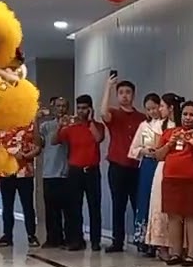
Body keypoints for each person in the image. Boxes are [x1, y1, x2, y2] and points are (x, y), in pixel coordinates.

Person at [152, 100, 193, 266]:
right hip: (172, 180)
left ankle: (192, 255)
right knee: (174, 217)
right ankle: (175, 253)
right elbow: (158, 156)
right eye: (185, 114)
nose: (188, 118)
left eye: (192, 114)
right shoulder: (170, 133)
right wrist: (170, 143)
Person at [99, 73, 145, 252]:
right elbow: (103, 112)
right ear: (118, 96)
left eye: (128, 92)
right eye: (121, 92)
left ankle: (141, 240)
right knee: (118, 204)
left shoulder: (141, 118)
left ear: (133, 95)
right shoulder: (115, 114)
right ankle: (117, 241)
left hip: (136, 166)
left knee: (137, 204)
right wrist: (108, 87)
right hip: (117, 165)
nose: (125, 95)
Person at [55, 94, 105, 251]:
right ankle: (76, 240)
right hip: (75, 171)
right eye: (79, 108)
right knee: (74, 207)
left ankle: (95, 241)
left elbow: (98, 138)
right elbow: (55, 141)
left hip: (92, 170)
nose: (81, 111)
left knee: (94, 206)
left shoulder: (97, 126)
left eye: (85, 108)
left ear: (90, 109)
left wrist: (90, 121)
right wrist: (60, 126)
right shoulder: (71, 127)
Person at [143, 92, 179, 257]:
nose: (160, 109)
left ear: (171, 108)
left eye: (163, 106)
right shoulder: (160, 126)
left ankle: (177, 246)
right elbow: (158, 149)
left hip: (178, 167)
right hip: (163, 167)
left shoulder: (181, 125)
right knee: (160, 205)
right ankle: (161, 245)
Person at [128, 92, 163, 257]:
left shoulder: (168, 125)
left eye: (155, 108)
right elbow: (134, 148)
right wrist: (144, 150)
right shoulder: (144, 126)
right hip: (148, 164)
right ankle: (144, 239)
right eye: (148, 109)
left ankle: (160, 240)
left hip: (162, 164)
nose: (152, 112)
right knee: (145, 200)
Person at [0, 119, 41, 247]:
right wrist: (11, 154)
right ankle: (7, 235)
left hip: (25, 171)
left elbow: (38, 146)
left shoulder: (29, 124)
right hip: (7, 171)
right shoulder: (1, 125)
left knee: (28, 205)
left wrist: (28, 155)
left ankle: (31, 235)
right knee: (7, 206)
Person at [38, 96, 70, 248]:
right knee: (51, 209)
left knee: (67, 209)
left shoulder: (71, 124)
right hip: (49, 172)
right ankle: (52, 238)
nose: (61, 109)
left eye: (64, 106)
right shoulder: (46, 126)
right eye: (58, 106)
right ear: (53, 107)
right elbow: (39, 143)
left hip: (66, 172)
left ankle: (67, 237)